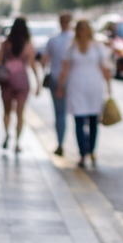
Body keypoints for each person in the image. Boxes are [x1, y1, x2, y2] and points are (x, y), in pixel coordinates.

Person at [56, 20, 111, 169]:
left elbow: (104, 68)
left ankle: (91, 150)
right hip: (76, 86)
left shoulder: (98, 47)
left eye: (84, 28)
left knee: (93, 120)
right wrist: (61, 86)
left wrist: (109, 86)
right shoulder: (71, 48)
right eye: (80, 29)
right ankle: (82, 153)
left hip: (93, 86)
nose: (82, 32)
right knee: (79, 120)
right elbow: (65, 69)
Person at [0, 18, 40, 153]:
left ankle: (7, 134)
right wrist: (38, 82)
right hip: (22, 80)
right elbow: (32, 64)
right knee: (20, 113)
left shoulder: (5, 43)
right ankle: (17, 143)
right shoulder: (28, 44)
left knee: (6, 111)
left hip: (7, 79)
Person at [41, 13, 74, 156]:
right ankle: (85, 149)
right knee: (81, 115)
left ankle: (60, 144)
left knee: (60, 114)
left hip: (57, 78)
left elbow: (44, 60)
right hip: (74, 80)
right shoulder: (75, 39)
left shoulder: (53, 39)